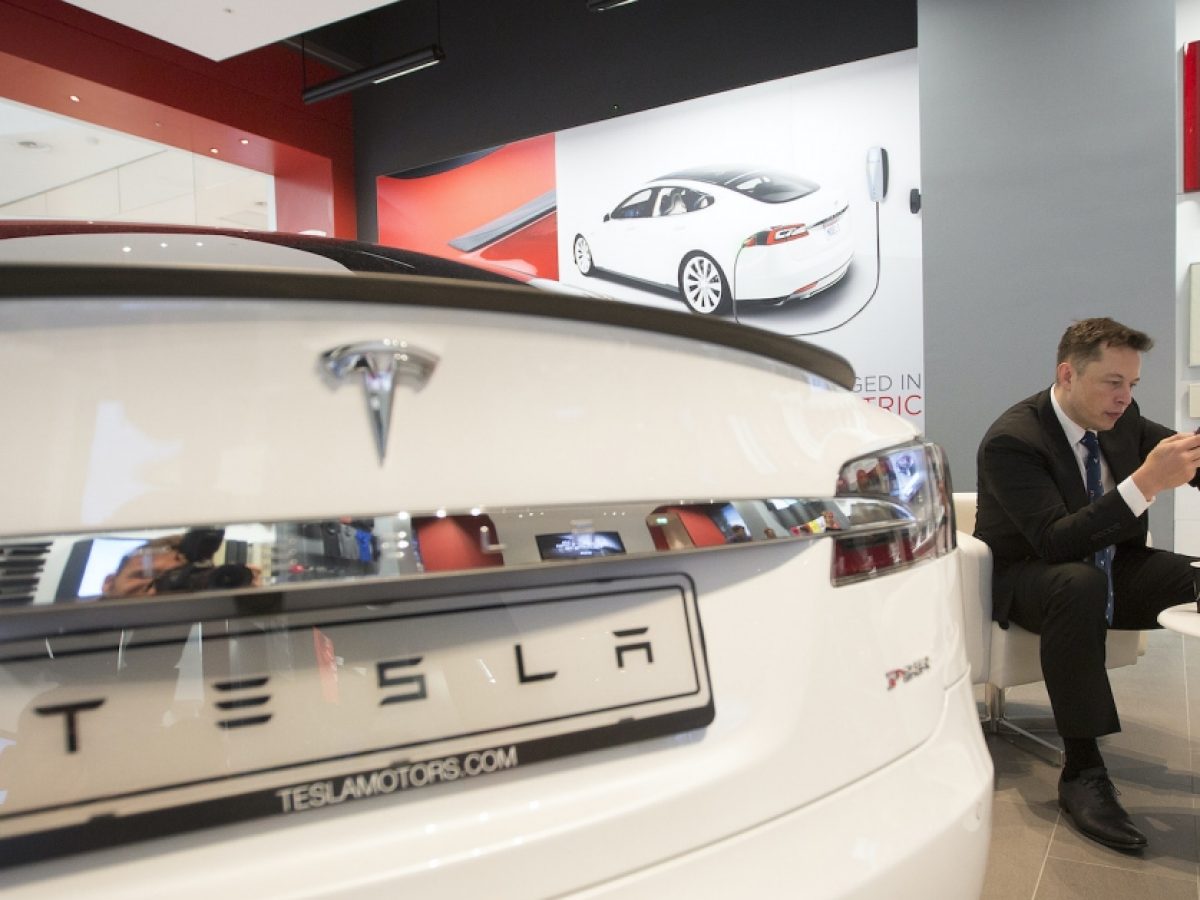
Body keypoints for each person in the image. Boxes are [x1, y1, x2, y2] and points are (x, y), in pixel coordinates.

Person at [975, 317, 1200, 852]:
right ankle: (1082, 771)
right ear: (1068, 375)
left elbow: (1185, 457)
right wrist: (1145, 483)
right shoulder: (1012, 440)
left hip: (1109, 566)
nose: (1125, 398)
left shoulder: (1123, 419)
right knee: (1077, 584)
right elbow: (1054, 541)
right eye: (1112, 382)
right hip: (1029, 576)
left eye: (1132, 384)